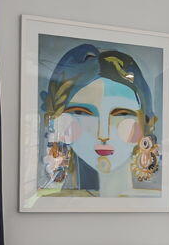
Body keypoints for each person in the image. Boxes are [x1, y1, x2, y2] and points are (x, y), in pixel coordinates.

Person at [39, 41, 161, 198]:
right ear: (58, 120)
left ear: (144, 123)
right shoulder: (49, 202)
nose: (103, 134)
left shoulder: (156, 201)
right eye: (82, 113)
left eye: (122, 114)